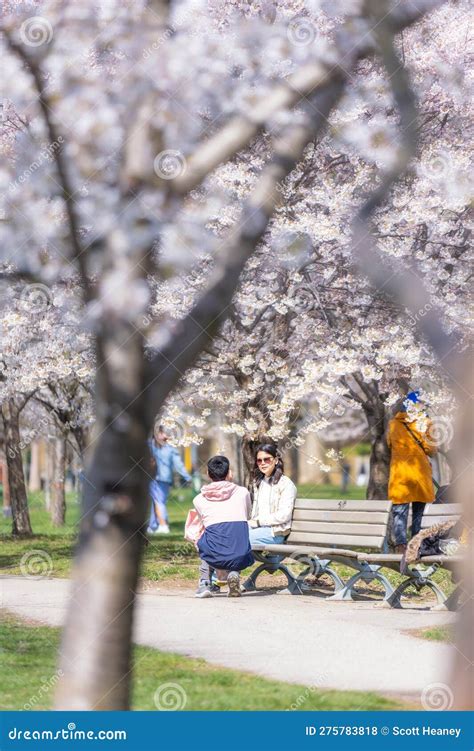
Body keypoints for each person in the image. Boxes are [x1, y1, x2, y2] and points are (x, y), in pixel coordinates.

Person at [193, 455, 253, 598]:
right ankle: (233, 573)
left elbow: (204, 523)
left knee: (204, 538)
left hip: (214, 553)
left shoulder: (198, 500)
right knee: (235, 536)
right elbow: (248, 515)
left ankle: (205, 583)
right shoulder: (243, 492)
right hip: (241, 554)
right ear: (229, 473)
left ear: (208, 474)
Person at [387, 391, 437, 556]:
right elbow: (431, 450)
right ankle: (415, 547)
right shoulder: (426, 422)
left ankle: (400, 547)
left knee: (399, 513)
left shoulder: (393, 424)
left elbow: (389, 444)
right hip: (419, 474)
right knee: (418, 513)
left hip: (399, 474)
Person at [248, 443, 297, 556]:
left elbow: (284, 515)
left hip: (275, 532)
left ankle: (230, 572)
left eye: (267, 459)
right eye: (259, 460)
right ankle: (226, 573)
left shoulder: (285, 484)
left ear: (275, 460)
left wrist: (259, 522)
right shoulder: (258, 482)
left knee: (237, 540)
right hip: (256, 528)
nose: (263, 463)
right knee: (228, 536)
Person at [148, 424, 191, 534]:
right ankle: (153, 525)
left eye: (164, 433)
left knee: (158, 502)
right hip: (157, 477)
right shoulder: (153, 445)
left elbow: (178, 464)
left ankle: (163, 525)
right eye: (161, 433)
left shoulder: (165, 447)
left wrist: (187, 476)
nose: (164, 435)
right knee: (156, 501)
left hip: (160, 478)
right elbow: (178, 464)